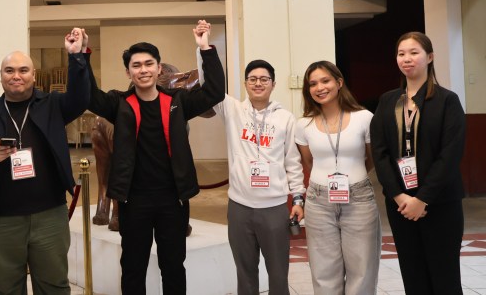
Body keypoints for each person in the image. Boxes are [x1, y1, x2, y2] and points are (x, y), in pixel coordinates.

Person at [83, 20, 225, 294]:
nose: (143, 70)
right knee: (133, 267)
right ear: (128, 72)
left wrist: (205, 48)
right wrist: (81, 55)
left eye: (149, 64)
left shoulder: (178, 102)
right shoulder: (119, 104)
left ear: (159, 68)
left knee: (173, 267)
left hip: (173, 200)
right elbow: (89, 96)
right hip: (133, 201)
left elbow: (214, 92)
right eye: (136, 65)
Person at [0, 28, 89, 295]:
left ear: (33, 75)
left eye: (23, 70)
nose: (16, 75)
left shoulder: (52, 105)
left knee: (53, 286)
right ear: (1, 76)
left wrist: (77, 57)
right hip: (1, 219)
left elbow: (81, 98)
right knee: (5, 288)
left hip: (49, 216)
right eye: (9, 70)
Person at [370, 32, 466, 295]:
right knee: (413, 277)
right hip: (400, 206)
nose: (407, 59)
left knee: (445, 278)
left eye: (414, 53)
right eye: (401, 54)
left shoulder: (447, 100)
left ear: (430, 57)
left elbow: (450, 155)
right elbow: (380, 152)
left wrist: (422, 199)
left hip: (440, 203)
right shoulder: (388, 101)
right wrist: (399, 196)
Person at [198, 58, 305, 295]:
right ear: (245, 83)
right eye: (253, 79)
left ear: (273, 84)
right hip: (240, 208)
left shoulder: (285, 118)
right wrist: (204, 50)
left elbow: (292, 161)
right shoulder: (232, 109)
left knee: (278, 274)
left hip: (274, 208)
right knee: (245, 274)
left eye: (264, 79)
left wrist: (298, 198)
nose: (258, 83)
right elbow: (209, 84)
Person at [295, 60, 380, 295]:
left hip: (359, 199)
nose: (319, 88)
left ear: (339, 82)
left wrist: (352, 180)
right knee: (324, 273)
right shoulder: (303, 124)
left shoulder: (364, 117)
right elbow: (309, 162)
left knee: (362, 271)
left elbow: (371, 158)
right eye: (313, 84)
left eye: (325, 81)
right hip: (318, 202)